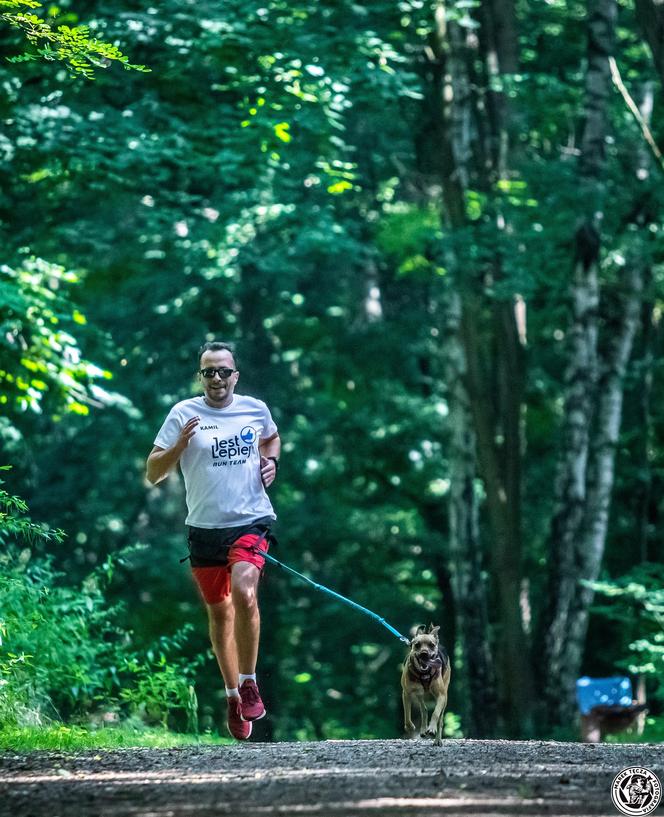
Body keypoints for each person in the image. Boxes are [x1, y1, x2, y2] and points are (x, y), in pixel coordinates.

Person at [146, 341, 280, 740]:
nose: (217, 378)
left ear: (235, 375)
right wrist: (179, 446)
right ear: (200, 376)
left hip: (250, 522)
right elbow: (154, 471)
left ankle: (250, 680)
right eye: (209, 371)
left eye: (224, 371)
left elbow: (270, 439)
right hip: (204, 530)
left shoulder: (254, 409)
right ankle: (232, 695)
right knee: (220, 614)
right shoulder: (183, 414)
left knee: (245, 591)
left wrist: (270, 463)